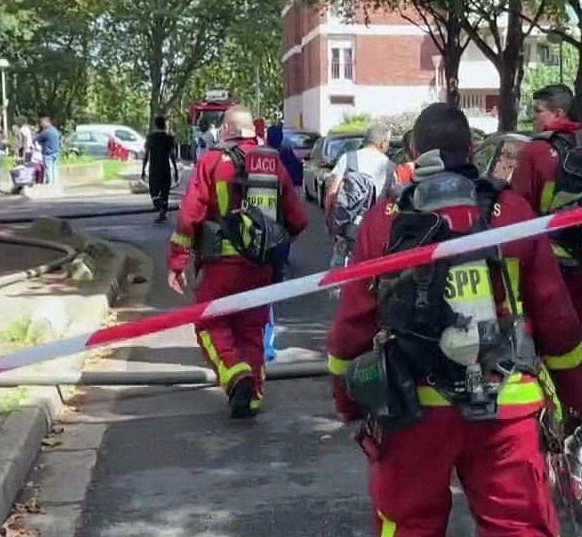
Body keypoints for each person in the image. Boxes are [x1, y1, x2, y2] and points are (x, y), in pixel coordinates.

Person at [327, 102, 582, 537]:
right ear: (472, 149)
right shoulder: (512, 210)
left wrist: (350, 401)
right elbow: (558, 322)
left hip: (412, 408)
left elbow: (352, 327)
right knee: (520, 536)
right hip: (505, 405)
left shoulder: (384, 220)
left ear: (412, 152)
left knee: (411, 530)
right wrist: (577, 396)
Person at [169, 105, 308, 418]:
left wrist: (177, 263)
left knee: (209, 322)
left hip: (220, 265)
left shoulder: (210, 161)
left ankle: (235, 374)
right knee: (252, 328)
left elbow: (189, 217)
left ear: (226, 130)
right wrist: (273, 246)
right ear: (252, 130)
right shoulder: (271, 164)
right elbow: (298, 220)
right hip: (261, 266)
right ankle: (253, 395)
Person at [513, 84, 582, 336]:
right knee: (579, 346)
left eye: (538, 110)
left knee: (545, 345)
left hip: (546, 270)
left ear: (558, 114)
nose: (534, 117)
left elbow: (516, 216)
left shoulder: (535, 153)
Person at [324, 124, 394, 271]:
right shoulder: (389, 166)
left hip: (344, 225)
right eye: (388, 142)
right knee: (366, 271)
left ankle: (338, 292)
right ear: (382, 142)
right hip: (371, 230)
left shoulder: (348, 158)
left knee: (339, 269)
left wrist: (329, 220)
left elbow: (332, 193)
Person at [142, 115, 179, 223]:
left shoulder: (150, 138)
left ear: (155, 124)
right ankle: (163, 210)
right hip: (165, 169)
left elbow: (146, 155)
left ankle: (160, 208)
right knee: (165, 192)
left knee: (154, 191)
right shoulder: (169, 138)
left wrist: (143, 169)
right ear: (164, 125)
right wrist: (175, 170)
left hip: (154, 169)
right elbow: (172, 155)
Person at [36, 117, 61, 185]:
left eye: (42, 123)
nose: (41, 125)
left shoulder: (46, 132)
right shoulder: (55, 130)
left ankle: (50, 183)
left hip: (48, 153)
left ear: (46, 122)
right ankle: (55, 182)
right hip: (56, 152)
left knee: (48, 168)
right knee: (54, 168)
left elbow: (38, 139)